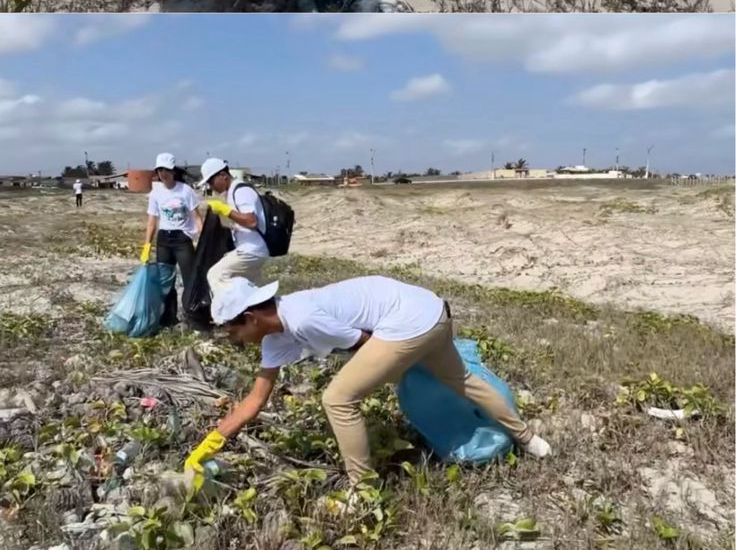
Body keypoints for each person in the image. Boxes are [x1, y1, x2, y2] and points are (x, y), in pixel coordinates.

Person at [187, 276, 553, 487]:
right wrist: (209, 444)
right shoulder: (277, 331)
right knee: (462, 380)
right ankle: (530, 440)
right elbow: (255, 399)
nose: (234, 340)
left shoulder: (301, 318)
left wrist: (393, 367)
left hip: (410, 322)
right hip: (433, 311)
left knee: (338, 398)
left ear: (250, 317)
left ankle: (362, 489)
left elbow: (363, 342)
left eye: (232, 332)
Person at [140, 153, 202, 327]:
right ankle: (168, 318)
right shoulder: (156, 193)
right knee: (165, 281)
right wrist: (147, 246)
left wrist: (202, 238)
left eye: (166, 170)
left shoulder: (185, 190)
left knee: (190, 278)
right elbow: (152, 221)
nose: (163, 173)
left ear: (173, 171)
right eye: (159, 170)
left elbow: (196, 218)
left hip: (182, 239)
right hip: (164, 239)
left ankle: (194, 317)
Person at [197, 158, 268, 294]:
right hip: (250, 248)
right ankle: (252, 313)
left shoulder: (241, 190)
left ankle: (229, 311)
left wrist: (226, 211)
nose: (211, 186)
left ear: (223, 175)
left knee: (215, 275)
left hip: (252, 250)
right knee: (249, 289)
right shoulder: (232, 191)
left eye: (211, 181)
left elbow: (251, 221)